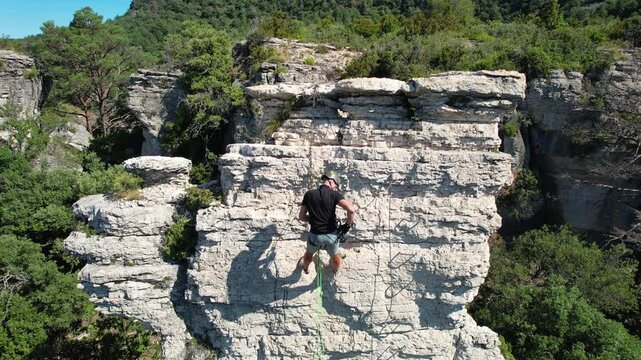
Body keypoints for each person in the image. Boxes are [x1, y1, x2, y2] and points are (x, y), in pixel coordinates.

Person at [298, 170, 356, 274]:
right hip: (331, 236)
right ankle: (335, 270)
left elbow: (301, 217)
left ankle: (306, 268)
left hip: (315, 236)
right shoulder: (335, 195)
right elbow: (351, 210)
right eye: (336, 185)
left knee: (309, 254)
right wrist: (347, 226)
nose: (335, 188)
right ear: (331, 181)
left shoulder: (309, 194)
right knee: (334, 256)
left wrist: (312, 219)